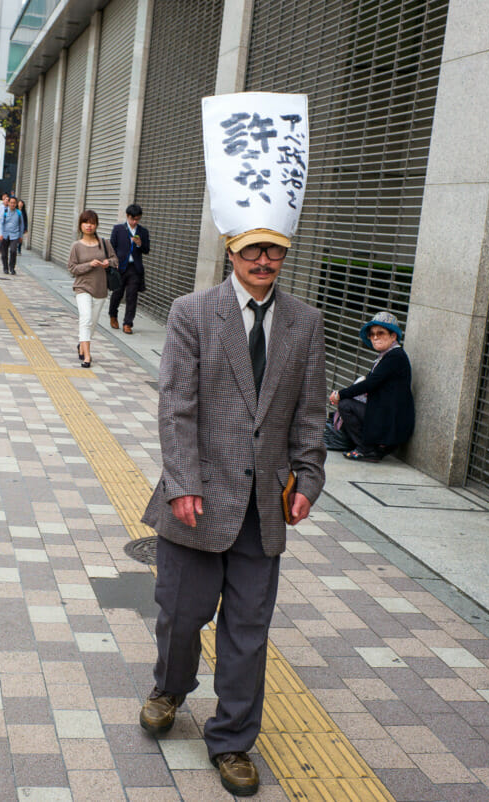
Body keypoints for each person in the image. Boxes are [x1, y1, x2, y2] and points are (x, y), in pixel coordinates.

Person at [138, 91, 321, 798]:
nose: (265, 260)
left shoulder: (305, 324)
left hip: (262, 510)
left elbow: (309, 418)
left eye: (275, 250)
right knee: (182, 618)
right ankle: (169, 688)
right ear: (232, 250)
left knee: (249, 629)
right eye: (253, 250)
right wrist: (182, 479)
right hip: (195, 497)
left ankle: (233, 740)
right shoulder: (192, 313)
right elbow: (175, 404)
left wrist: (308, 480)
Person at [328, 311, 414, 461]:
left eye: (381, 333)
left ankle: (366, 449)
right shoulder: (387, 356)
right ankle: (368, 447)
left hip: (391, 421)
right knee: (347, 403)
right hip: (384, 416)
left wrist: (340, 394)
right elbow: (369, 381)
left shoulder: (395, 356)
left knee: (346, 405)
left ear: (393, 336)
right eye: (372, 334)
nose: (375, 337)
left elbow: (369, 384)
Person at [67, 210, 118, 369]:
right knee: (86, 318)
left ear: (96, 225)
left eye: (92, 223)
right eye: (86, 222)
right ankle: (87, 356)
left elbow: (115, 260)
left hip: (100, 289)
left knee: (93, 323)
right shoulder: (76, 246)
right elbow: (72, 268)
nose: (89, 226)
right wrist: (90, 264)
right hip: (82, 287)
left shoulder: (104, 243)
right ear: (80, 225)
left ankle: (82, 345)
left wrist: (106, 263)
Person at [109, 204, 150, 334]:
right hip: (120, 267)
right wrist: (113, 262)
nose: (135, 222)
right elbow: (112, 248)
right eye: (133, 219)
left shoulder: (143, 232)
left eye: (137, 219)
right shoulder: (118, 229)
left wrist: (140, 244)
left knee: (132, 296)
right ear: (127, 216)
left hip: (134, 268)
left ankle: (128, 323)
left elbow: (147, 250)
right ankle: (113, 315)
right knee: (117, 294)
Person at [0, 194, 25, 275]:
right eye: (11, 202)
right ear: (8, 203)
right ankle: (5, 268)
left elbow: (21, 225)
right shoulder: (5, 212)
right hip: (5, 235)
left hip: (15, 235)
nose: (12, 204)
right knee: (4, 253)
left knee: (13, 251)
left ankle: (12, 268)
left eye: (14, 203)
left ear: (16, 204)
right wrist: (1, 234)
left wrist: (20, 236)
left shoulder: (19, 213)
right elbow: (0, 223)